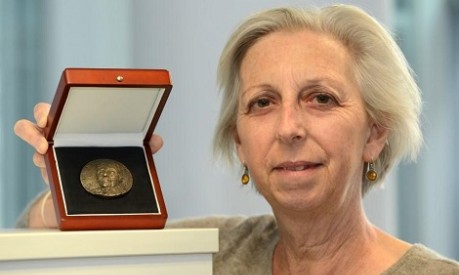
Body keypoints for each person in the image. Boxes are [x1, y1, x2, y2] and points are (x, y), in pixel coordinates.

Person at [13, 4, 459, 274]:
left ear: (376, 134)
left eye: (320, 98)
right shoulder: (210, 252)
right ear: (240, 143)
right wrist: (67, 176)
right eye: (262, 103)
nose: (288, 129)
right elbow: (39, 239)